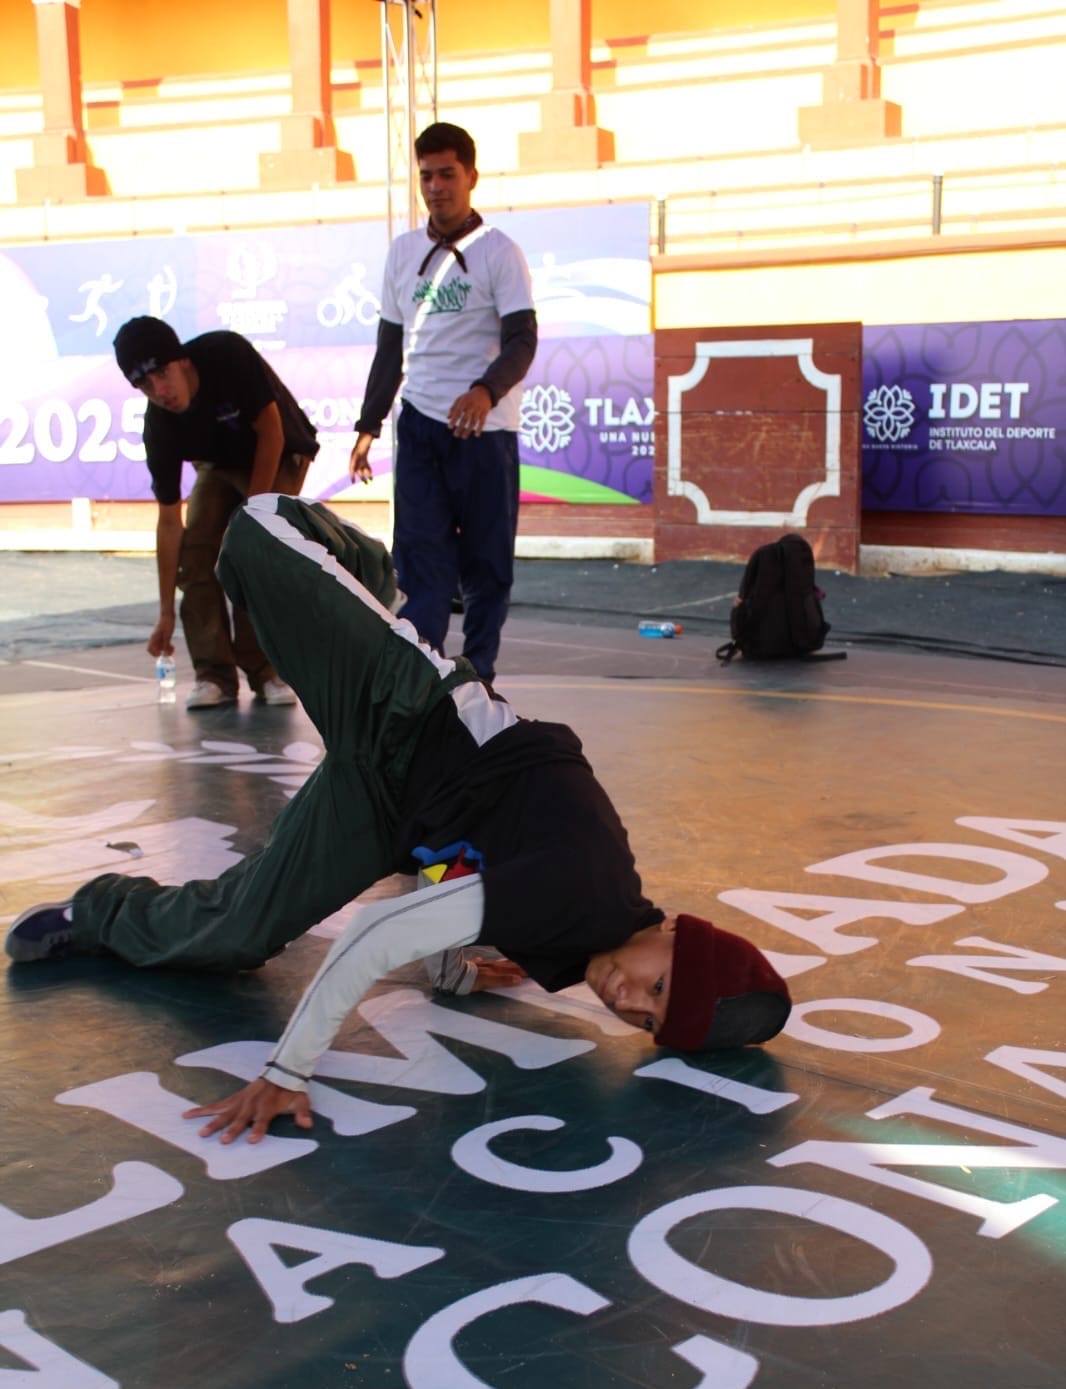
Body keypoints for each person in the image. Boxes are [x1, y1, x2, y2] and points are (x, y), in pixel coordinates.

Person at [4, 494, 792, 1145]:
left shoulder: (581, 938)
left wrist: (452, 965)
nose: (628, 999)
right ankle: (364, 570)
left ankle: (95, 912)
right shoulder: (583, 890)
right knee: (249, 539)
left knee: (239, 934)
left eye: (648, 1019)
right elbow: (375, 934)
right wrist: (287, 1073)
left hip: (388, 809)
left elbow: (464, 846)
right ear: (675, 930)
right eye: (658, 983)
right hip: (404, 709)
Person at [349, 122, 537, 684]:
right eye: (426, 176)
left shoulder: (500, 252)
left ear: (471, 177)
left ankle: (478, 677)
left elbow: (522, 341)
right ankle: (422, 681)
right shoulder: (403, 252)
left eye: (447, 175)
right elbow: (390, 347)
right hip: (421, 429)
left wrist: (486, 390)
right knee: (420, 564)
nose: (435, 187)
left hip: (485, 433)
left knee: (486, 565)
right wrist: (368, 425)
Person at [113, 315, 319, 711]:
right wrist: (164, 613)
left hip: (279, 451)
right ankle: (214, 675)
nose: (160, 391)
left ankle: (266, 670)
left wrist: (252, 521)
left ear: (182, 360)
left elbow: (272, 431)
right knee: (196, 549)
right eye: (145, 385)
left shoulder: (226, 353)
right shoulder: (159, 426)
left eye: (162, 374)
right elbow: (169, 522)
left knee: (252, 550)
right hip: (219, 463)